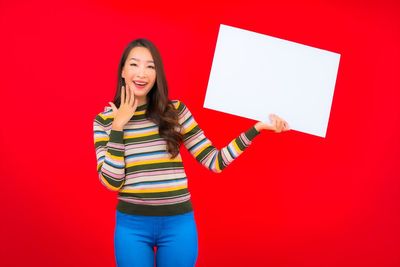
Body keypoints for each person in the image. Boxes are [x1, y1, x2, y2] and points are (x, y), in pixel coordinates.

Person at [93, 38, 290, 267]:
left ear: (157, 74)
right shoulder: (105, 121)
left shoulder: (176, 111)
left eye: (150, 66)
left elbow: (214, 161)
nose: (142, 73)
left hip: (178, 225)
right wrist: (118, 127)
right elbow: (112, 182)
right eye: (135, 64)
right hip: (131, 227)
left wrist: (256, 129)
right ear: (123, 71)